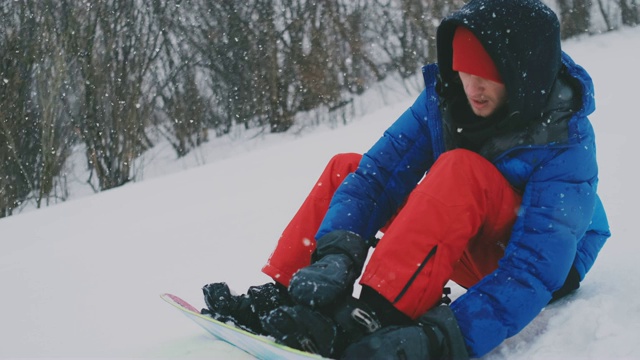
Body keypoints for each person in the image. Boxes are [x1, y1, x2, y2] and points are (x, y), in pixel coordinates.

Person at [201, 0, 611, 358]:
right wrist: (336, 258)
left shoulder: (566, 137)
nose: (473, 85)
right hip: (469, 227)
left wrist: (439, 339)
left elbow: (531, 270)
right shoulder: (449, 97)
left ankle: (376, 316)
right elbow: (377, 177)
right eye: (465, 69)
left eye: (489, 72)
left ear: (522, 71)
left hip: (543, 261)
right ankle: (290, 293)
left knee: (459, 170)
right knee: (348, 168)